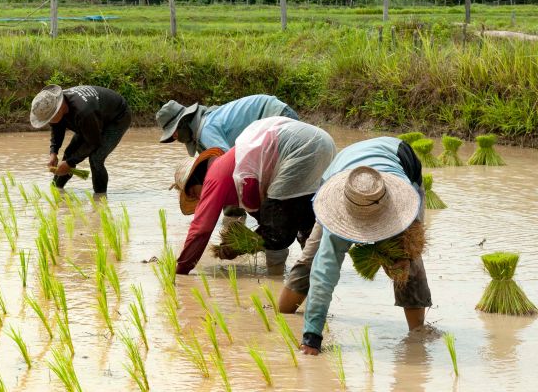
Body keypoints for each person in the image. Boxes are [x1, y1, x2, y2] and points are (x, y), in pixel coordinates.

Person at [268, 137, 429, 355]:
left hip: (396, 159)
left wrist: (404, 257)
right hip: (342, 174)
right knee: (313, 258)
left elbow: (412, 235)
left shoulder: (402, 203)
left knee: (408, 262)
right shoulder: (338, 213)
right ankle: (284, 314)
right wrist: (311, 338)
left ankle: (417, 336)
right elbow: (324, 275)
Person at [174, 117, 335, 275]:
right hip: (323, 142)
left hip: (299, 147)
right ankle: (317, 276)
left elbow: (200, 230)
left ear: (197, 178)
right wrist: (237, 246)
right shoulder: (241, 175)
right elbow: (269, 220)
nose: (201, 199)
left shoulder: (213, 176)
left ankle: (276, 281)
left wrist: (181, 270)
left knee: (276, 236)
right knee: (307, 222)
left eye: (195, 193)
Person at [29, 85, 131, 195]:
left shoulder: (83, 112)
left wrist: (70, 163)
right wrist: (53, 152)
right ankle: (56, 189)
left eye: (50, 118)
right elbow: (57, 127)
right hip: (95, 117)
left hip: (117, 117)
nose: (50, 122)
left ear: (59, 109)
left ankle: (100, 199)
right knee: (69, 153)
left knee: (96, 158)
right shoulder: (55, 103)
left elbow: (93, 142)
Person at [156, 94, 299, 157]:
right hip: (274, 117)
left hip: (277, 117)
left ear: (183, 123)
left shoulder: (206, 131)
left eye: (174, 133)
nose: (175, 138)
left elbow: (227, 165)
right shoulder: (207, 120)